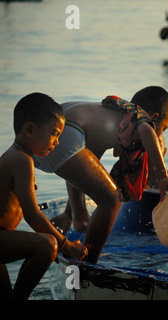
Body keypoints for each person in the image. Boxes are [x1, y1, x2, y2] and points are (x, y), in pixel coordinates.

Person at [33, 86, 168, 263]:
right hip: (66, 132)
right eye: (164, 128)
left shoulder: (111, 116)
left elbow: (80, 174)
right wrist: (163, 175)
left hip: (41, 132)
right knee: (112, 198)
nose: (160, 135)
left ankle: (76, 218)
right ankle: (89, 265)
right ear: (154, 118)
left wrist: (70, 213)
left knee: (99, 190)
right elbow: (147, 130)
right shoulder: (140, 118)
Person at [0, 93, 88, 300]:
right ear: (30, 129)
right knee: (47, 244)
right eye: (54, 134)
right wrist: (66, 244)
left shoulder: (15, 156)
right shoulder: (21, 160)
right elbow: (33, 216)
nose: (57, 142)